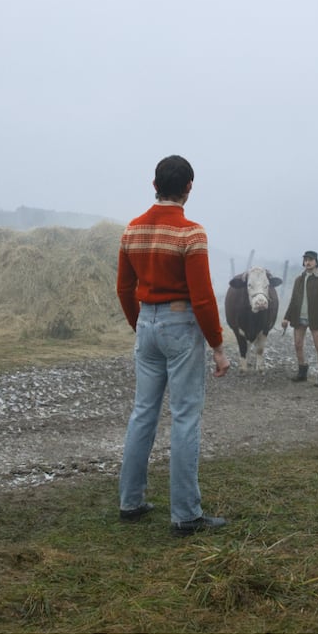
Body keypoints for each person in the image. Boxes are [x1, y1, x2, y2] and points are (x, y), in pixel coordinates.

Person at [116, 155, 231, 537]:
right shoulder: (191, 234)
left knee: (143, 413)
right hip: (181, 325)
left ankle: (130, 501)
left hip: (146, 323)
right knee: (184, 417)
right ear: (188, 188)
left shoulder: (131, 230)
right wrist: (217, 345)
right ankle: (185, 514)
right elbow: (203, 297)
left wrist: (138, 323)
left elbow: (124, 288)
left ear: (154, 185)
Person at [281, 251, 318, 387]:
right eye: (305, 260)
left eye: (310, 260)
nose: (308, 262)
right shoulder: (299, 279)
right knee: (298, 344)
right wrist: (286, 318)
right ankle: (302, 372)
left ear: (316, 262)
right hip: (299, 316)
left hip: (316, 318)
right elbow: (293, 300)